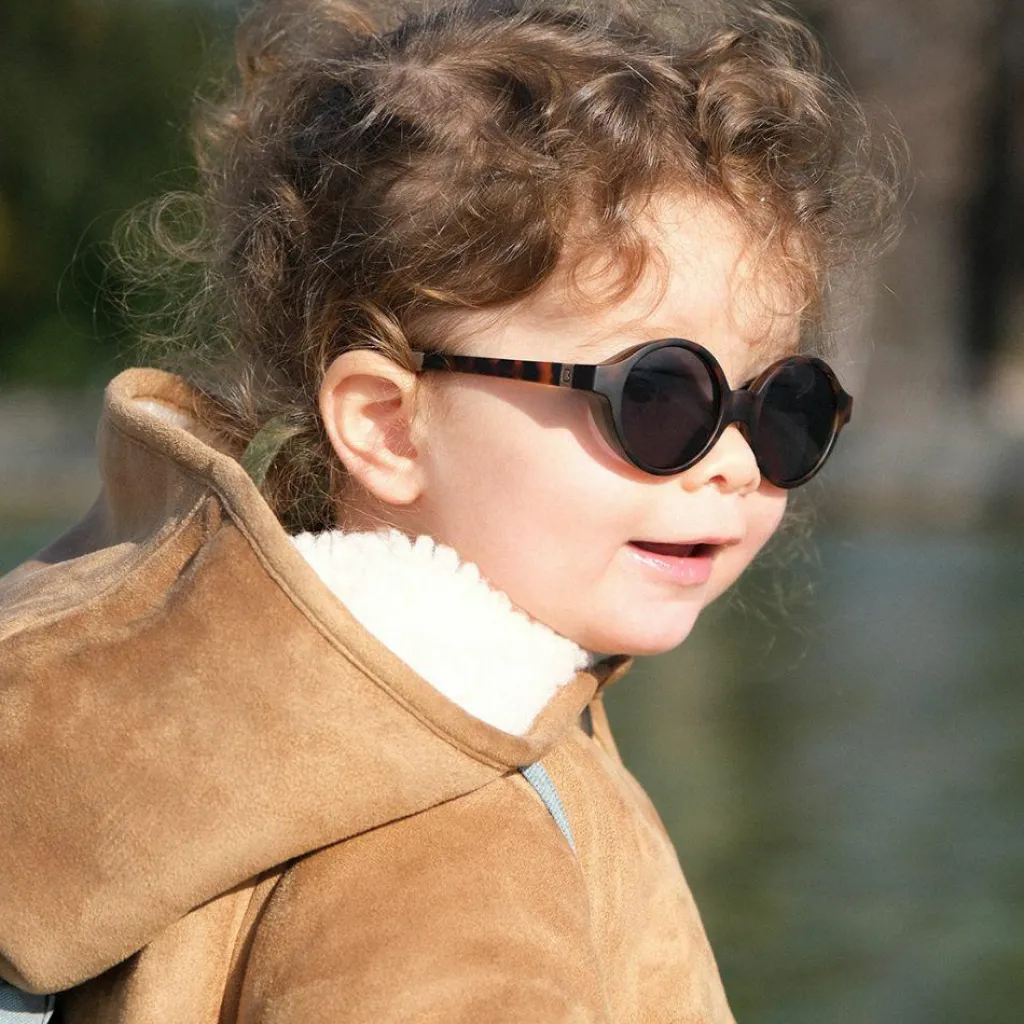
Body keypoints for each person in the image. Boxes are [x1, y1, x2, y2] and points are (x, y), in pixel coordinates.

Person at [0, 0, 901, 1020]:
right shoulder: (453, 823)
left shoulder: (212, 713)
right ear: (388, 426)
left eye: (785, 406)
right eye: (661, 397)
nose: (736, 463)